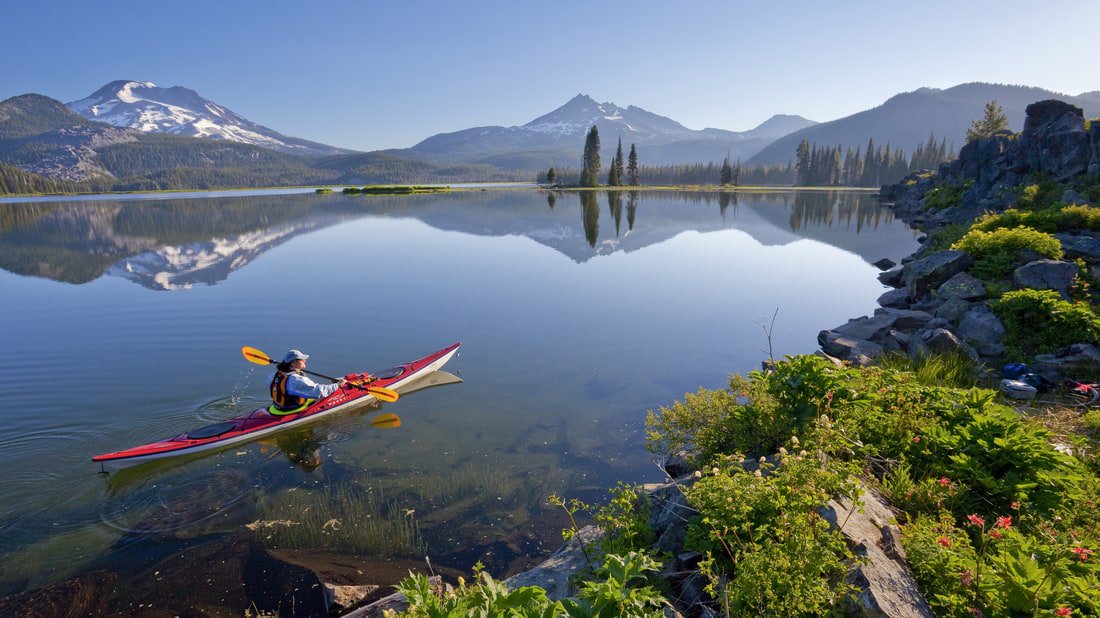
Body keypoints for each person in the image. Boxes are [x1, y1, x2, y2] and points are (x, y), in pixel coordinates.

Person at [269, 350, 347, 415]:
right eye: (302, 359)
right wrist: (337, 385)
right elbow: (319, 391)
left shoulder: (277, 374)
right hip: (291, 409)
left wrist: (299, 372)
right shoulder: (296, 379)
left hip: (278, 406)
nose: (305, 360)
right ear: (293, 363)